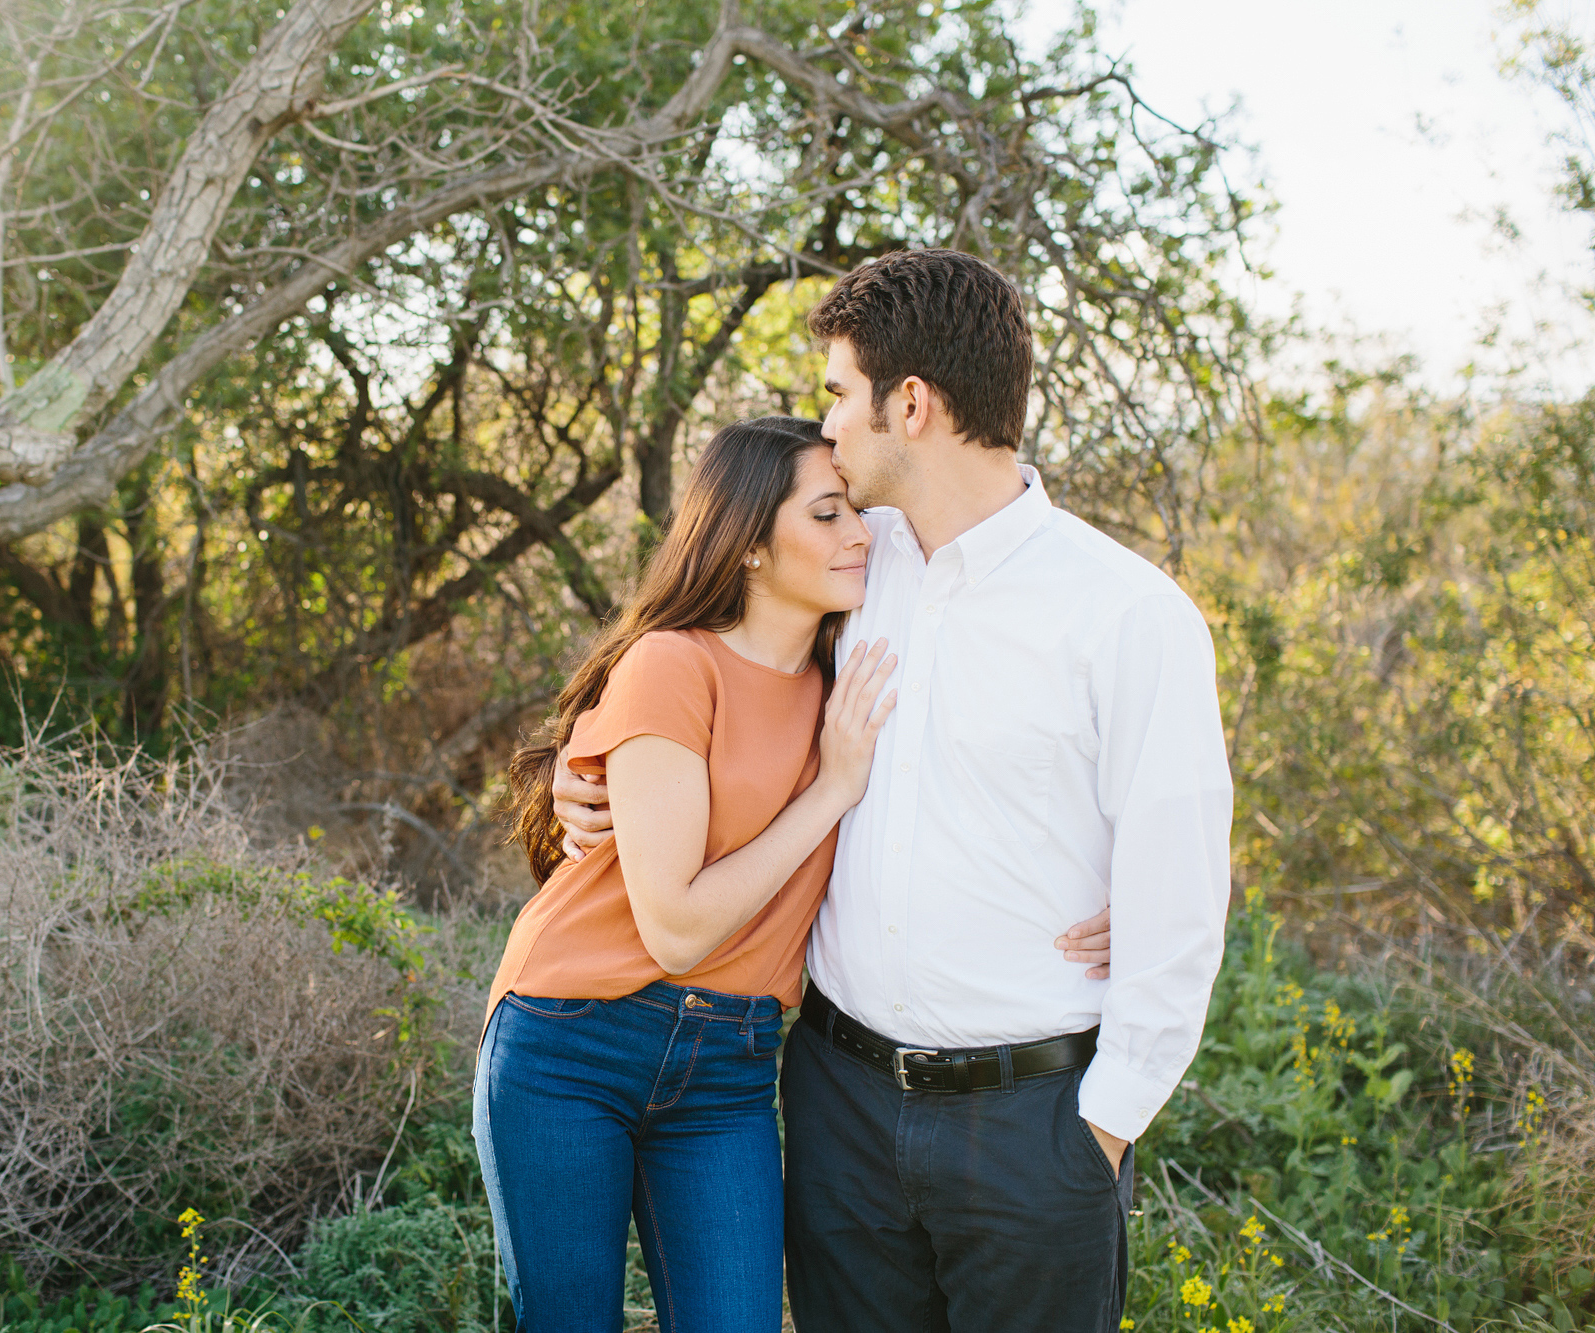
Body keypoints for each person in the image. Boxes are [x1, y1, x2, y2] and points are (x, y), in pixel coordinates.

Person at [553, 248, 1232, 1332]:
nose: (822, 429)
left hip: (1034, 1126)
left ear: (907, 403)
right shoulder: (843, 566)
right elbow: (683, 660)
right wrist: (576, 768)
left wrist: (1096, 1133)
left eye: (835, 395)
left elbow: (1183, 902)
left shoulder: (1127, 616)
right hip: (839, 1109)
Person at [480, 414, 1112, 1332]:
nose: (860, 533)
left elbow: (1008, 766)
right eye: (826, 514)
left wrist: (1128, 891)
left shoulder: (847, 673)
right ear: (745, 545)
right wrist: (831, 788)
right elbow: (677, 928)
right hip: (573, 1040)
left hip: (730, 1068)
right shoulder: (672, 664)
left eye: (852, 509)